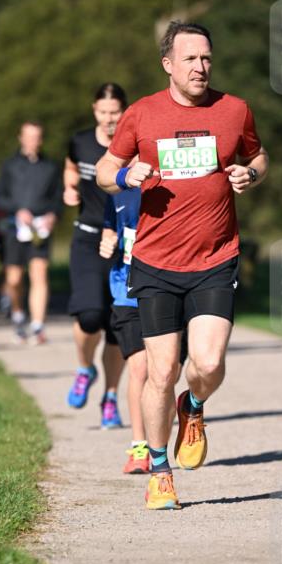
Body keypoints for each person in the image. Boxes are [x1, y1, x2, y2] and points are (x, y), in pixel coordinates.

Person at [96, 21, 269, 509]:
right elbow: (107, 171)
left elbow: (259, 156)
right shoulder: (141, 113)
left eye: (207, 58)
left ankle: (192, 408)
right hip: (154, 261)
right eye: (190, 59)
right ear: (168, 65)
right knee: (161, 370)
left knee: (208, 363)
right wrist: (128, 174)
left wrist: (249, 173)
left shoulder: (234, 110)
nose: (201, 67)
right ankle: (158, 469)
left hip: (215, 256)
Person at [100, 185, 188, 474]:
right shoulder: (116, 190)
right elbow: (109, 229)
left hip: (169, 292)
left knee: (166, 373)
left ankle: (178, 420)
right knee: (140, 368)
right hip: (127, 294)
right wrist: (107, 240)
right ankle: (140, 447)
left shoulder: (175, 187)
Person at [64, 83, 127, 428]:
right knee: (89, 316)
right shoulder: (81, 141)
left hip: (125, 245)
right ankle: (85, 368)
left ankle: (111, 397)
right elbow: (71, 166)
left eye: (115, 112)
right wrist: (68, 188)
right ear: (94, 111)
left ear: (124, 112)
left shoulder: (133, 147)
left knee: (118, 326)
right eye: (103, 112)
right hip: (88, 239)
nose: (109, 120)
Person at [0, 122, 61, 344]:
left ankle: (38, 325)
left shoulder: (50, 167)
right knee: (14, 279)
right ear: (20, 138)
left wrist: (52, 215)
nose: (33, 141)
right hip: (15, 229)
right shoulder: (9, 165)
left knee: (39, 274)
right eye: (29, 137)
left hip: (40, 229)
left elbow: (58, 199)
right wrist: (18, 210)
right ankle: (19, 316)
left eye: (37, 137)